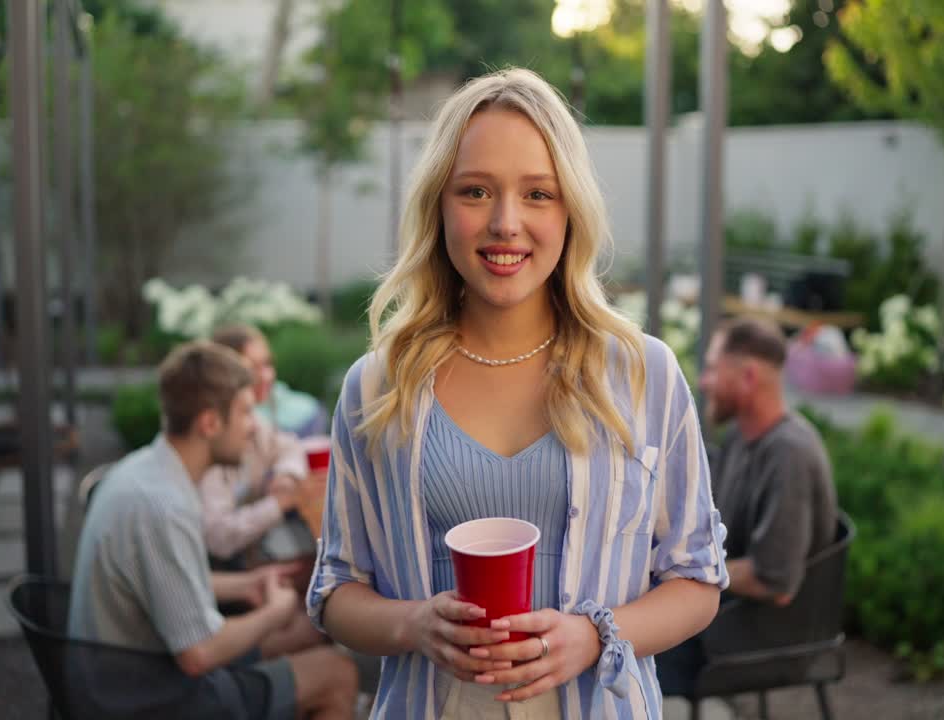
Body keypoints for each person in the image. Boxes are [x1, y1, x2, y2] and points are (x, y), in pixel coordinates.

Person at [306, 68, 729, 718]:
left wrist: (594, 637)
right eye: (475, 191)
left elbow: (697, 580)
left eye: (538, 194)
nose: (506, 223)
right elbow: (336, 588)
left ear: (570, 211)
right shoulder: (377, 388)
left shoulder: (646, 375)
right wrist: (415, 624)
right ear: (439, 206)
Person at [69, 341, 358, 719]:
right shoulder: (162, 507)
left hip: (120, 675)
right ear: (209, 423)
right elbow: (198, 654)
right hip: (148, 697)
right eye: (244, 412)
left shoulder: (145, 472)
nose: (253, 426)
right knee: (337, 672)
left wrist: (248, 583)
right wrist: (275, 610)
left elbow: (165, 580)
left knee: (308, 633)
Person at [657, 318, 838, 697]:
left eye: (711, 369)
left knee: (627, 644)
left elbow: (774, 579)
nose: (703, 383)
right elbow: (706, 526)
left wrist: (670, 569)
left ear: (749, 376)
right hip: (732, 613)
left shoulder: (788, 454)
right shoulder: (742, 434)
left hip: (764, 636)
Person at [201, 324, 323, 566]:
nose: (266, 376)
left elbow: (288, 446)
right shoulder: (214, 440)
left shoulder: (253, 421)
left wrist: (286, 475)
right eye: (252, 368)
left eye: (267, 364)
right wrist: (280, 502)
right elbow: (218, 538)